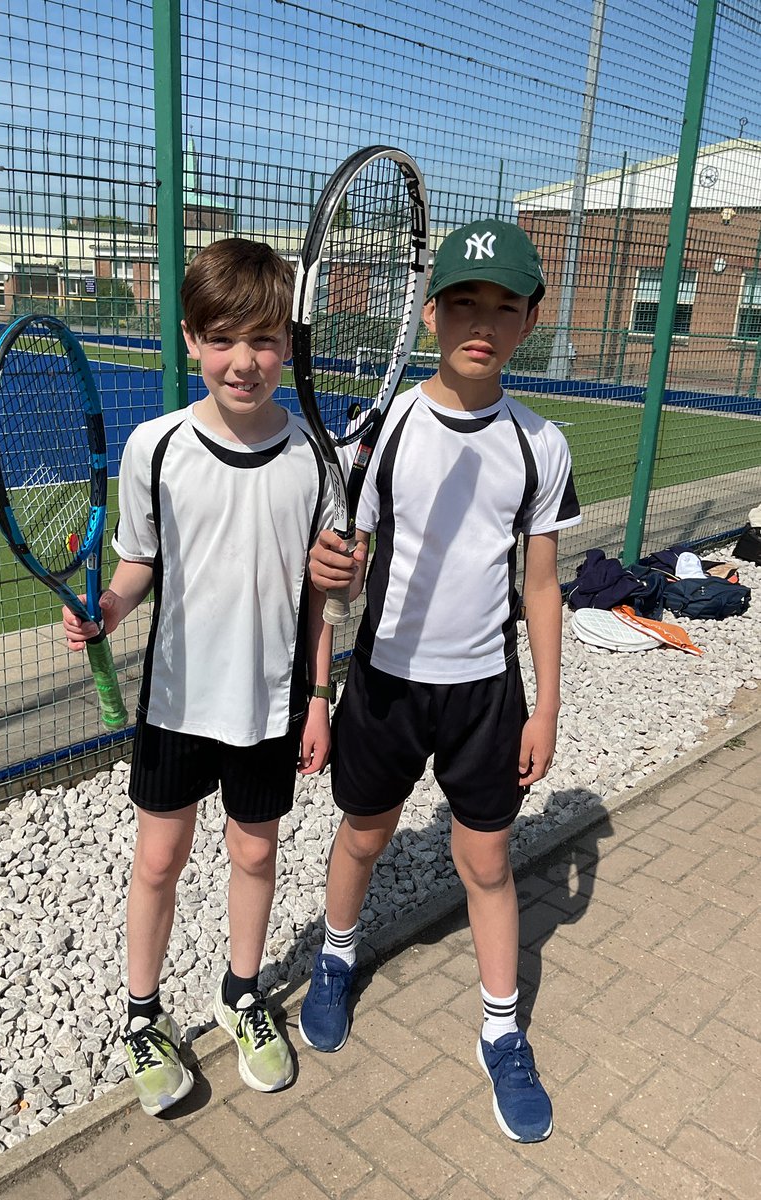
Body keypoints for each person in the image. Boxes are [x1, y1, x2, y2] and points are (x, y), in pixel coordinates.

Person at [300, 219, 581, 1143]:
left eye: (504, 307)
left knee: (489, 863)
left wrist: (546, 704)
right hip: (386, 685)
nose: (482, 322)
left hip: (485, 695)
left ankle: (501, 1034)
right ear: (428, 315)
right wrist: (316, 684)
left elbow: (541, 586)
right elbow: (340, 572)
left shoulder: (542, 443)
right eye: (464, 301)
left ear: (529, 321)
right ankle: (337, 958)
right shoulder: (384, 432)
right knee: (363, 836)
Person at [62, 238, 334, 1113]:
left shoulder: (319, 460)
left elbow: (322, 600)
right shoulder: (155, 447)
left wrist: (321, 696)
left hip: (270, 702)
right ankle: (141, 1015)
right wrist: (105, 609)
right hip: (177, 699)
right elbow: (139, 565)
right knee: (159, 858)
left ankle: (240, 991)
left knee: (256, 852)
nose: (243, 361)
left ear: (287, 344)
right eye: (222, 340)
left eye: (261, 340)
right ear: (190, 341)